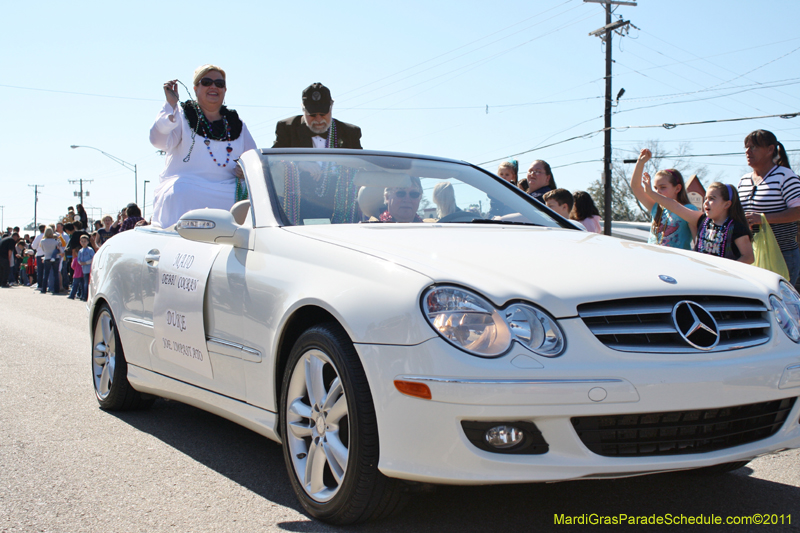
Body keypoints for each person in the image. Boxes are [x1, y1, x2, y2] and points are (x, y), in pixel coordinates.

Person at [150, 64, 258, 229]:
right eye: (207, 82)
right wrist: (171, 105)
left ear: (225, 90)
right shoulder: (182, 115)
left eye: (219, 84)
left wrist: (245, 169)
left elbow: (253, 158)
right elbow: (158, 140)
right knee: (181, 192)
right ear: (195, 88)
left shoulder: (236, 124)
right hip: (188, 186)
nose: (214, 87)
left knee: (253, 200)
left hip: (228, 189)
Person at [738, 129, 800, 284]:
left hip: (782, 254)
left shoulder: (785, 176)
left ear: (770, 149)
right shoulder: (744, 180)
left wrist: (763, 219)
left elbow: (798, 211)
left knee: (779, 297)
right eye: (746, 147)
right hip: (752, 254)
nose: (747, 152)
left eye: (753, 147)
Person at [643, 178, 754, 263]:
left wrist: (726, 271)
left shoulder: (737, 228)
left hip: (723, 281)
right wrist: (651, 193)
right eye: (706, 198)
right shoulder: (702, 220)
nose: (706, 202)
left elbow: (748, 257)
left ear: (727, 204)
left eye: (712, 199)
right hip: (701, 276)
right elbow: (675, 206)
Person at [630, 148, 698, 249]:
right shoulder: (656, 207)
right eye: (655, 188)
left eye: (663, 187)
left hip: (676, 258)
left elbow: (698, 243)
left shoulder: (689, 209)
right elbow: (636, 187)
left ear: (677, 188)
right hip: (652, 257)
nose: (658, 191)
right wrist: (640, 162)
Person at [273, 83, 362, 149]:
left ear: (331, 107)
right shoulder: (287, 129)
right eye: (312, 115)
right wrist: (298, 164)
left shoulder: (350, 133)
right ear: (303, 109)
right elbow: (275, 162)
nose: (318, 119)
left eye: (323, 114)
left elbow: (360, 164)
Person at [68, 235, 94, 301]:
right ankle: (83, 296)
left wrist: (86, 262)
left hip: (89, 269)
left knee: (87, 284)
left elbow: (93, 258)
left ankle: (86, 296)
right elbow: (78, 259)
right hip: (83, 270)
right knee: (84, 284)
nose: (83, 243)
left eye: (85, 241)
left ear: (88, 242)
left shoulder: (90, 250)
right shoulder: (80, 251)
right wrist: (80, 263)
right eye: (82, 241)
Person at [38, 228, 63, 295]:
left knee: (46, 274)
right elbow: (59, 250)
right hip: (55, 258)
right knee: (56, 274)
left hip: (47, 257)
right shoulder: (55, 241)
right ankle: (56, 289)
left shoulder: (42, 241)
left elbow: (43, 250)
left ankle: (44, 289)